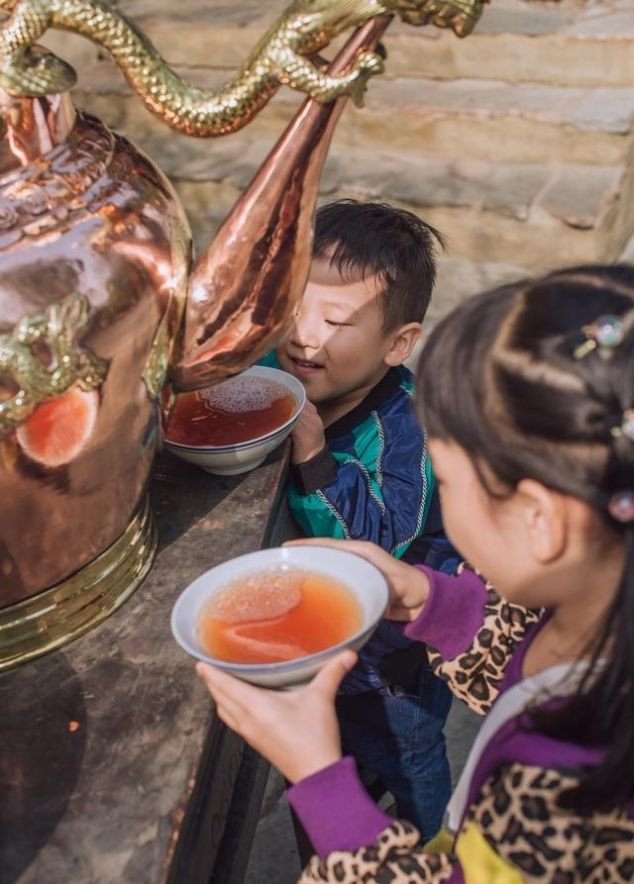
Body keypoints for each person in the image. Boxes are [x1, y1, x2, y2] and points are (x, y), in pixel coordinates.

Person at [200, 264, 634, 881]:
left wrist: (324, 785)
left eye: (453, 484)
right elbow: (535, 663)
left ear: (540, 520)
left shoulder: (564, 789)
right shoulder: (594, 622)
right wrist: (436, 603)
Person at [260, 199, 458, 839]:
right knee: (317, 774)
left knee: (406, 766)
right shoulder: (284, 370)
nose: (302, 335)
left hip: (392, 665)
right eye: (293, 304)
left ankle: (433, 856)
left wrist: (316, 456)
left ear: (398, 343)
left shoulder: (408, 430)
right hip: (317, 644)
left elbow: (377, 545)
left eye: (336, 319)